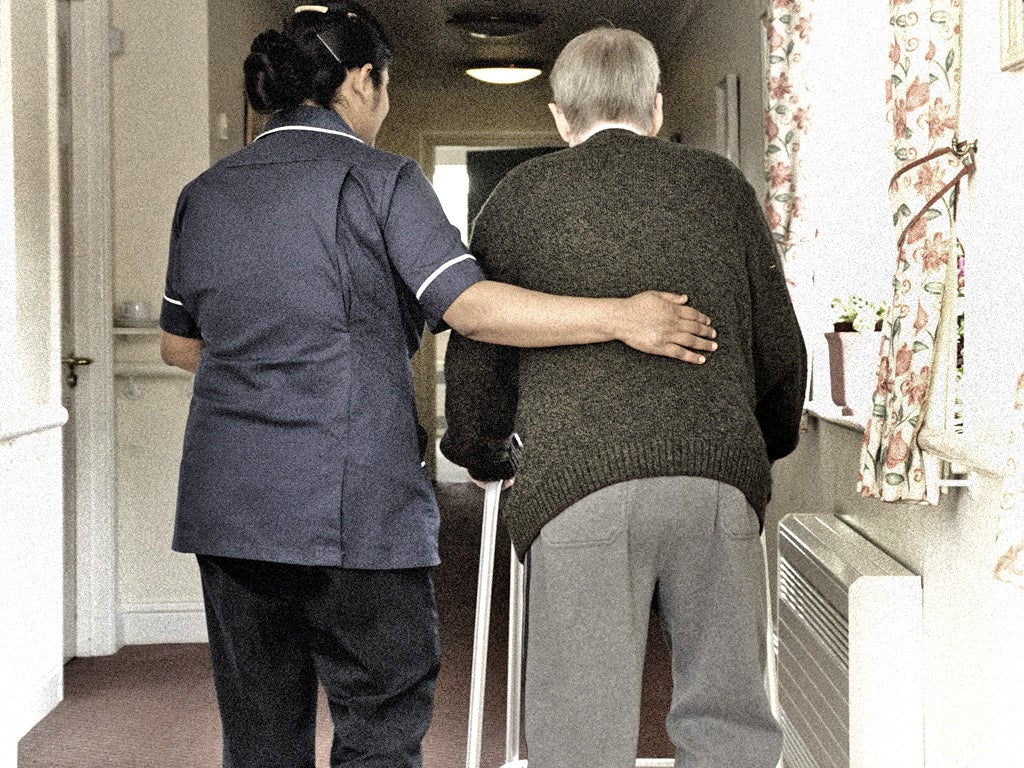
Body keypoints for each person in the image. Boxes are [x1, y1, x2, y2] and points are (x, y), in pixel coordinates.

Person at [158, 5, 718, 768]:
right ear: (362, 82)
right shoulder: (381, 179)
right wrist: (623, 317)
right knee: (380, 726)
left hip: (231, 509)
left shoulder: (206, 192)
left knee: (257, 735)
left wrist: (272, 374)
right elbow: (471, 310)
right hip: (356, 509)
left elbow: (177, 344)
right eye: (383, 88)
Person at [440, 26, 807, 768]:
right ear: (656, 104)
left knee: (580, 732)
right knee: (730, 720)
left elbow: (480, 357)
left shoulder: (518, 199)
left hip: (579, 483)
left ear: (558, 116)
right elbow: (782, 353)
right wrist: (742, 445)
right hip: (714, 478)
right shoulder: (720, 187)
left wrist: (479, 449)